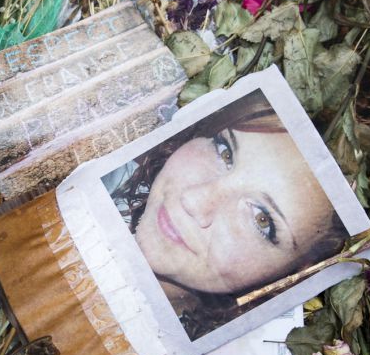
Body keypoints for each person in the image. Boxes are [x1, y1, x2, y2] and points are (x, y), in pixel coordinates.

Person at [109, 90, 347, 339]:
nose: (194, 200)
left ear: (293, 275)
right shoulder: (91, 166)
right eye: (225, 152)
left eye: (261, 219)